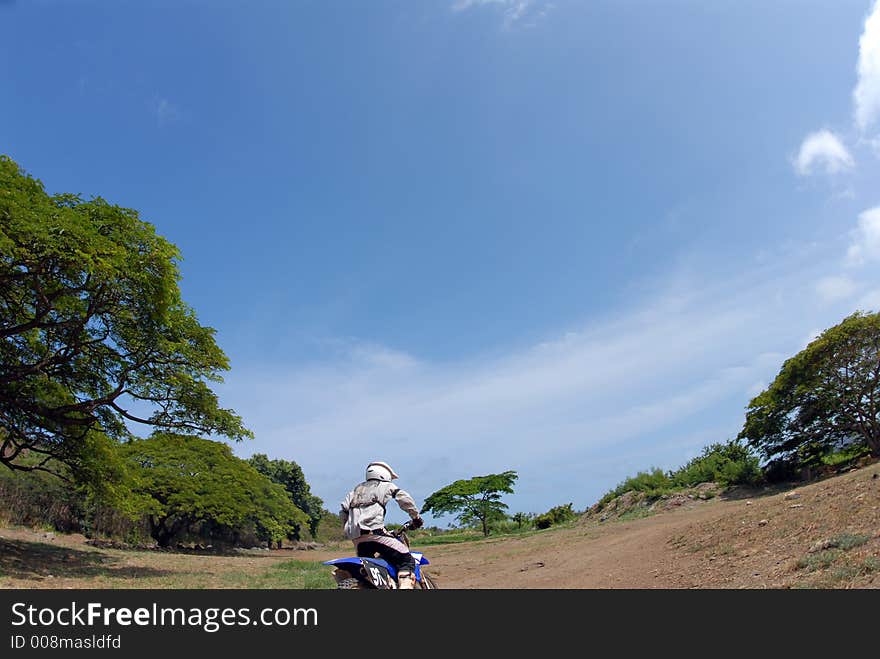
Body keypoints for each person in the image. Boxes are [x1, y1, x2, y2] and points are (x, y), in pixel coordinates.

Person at [339, 461, 424, 589]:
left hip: (358, 540)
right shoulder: (385, 486)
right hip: (375, 535)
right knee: (406, 560)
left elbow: (343, 511)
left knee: (374, 565)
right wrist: (416, 517)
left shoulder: (355, 490)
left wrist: (348, 526)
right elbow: (404, 498)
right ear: (384, 474)